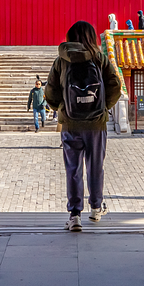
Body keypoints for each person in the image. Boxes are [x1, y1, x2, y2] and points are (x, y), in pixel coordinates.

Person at [44, 20, 124, 231]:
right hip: (96, 124)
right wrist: (103, 108)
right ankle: (96, 208)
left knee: (73, 168)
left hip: (70, 123)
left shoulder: (61, 61)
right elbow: (116, 86)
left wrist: (61, 108)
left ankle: (74, 214)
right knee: (95, 166)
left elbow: (50, 91)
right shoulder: (100, 59)